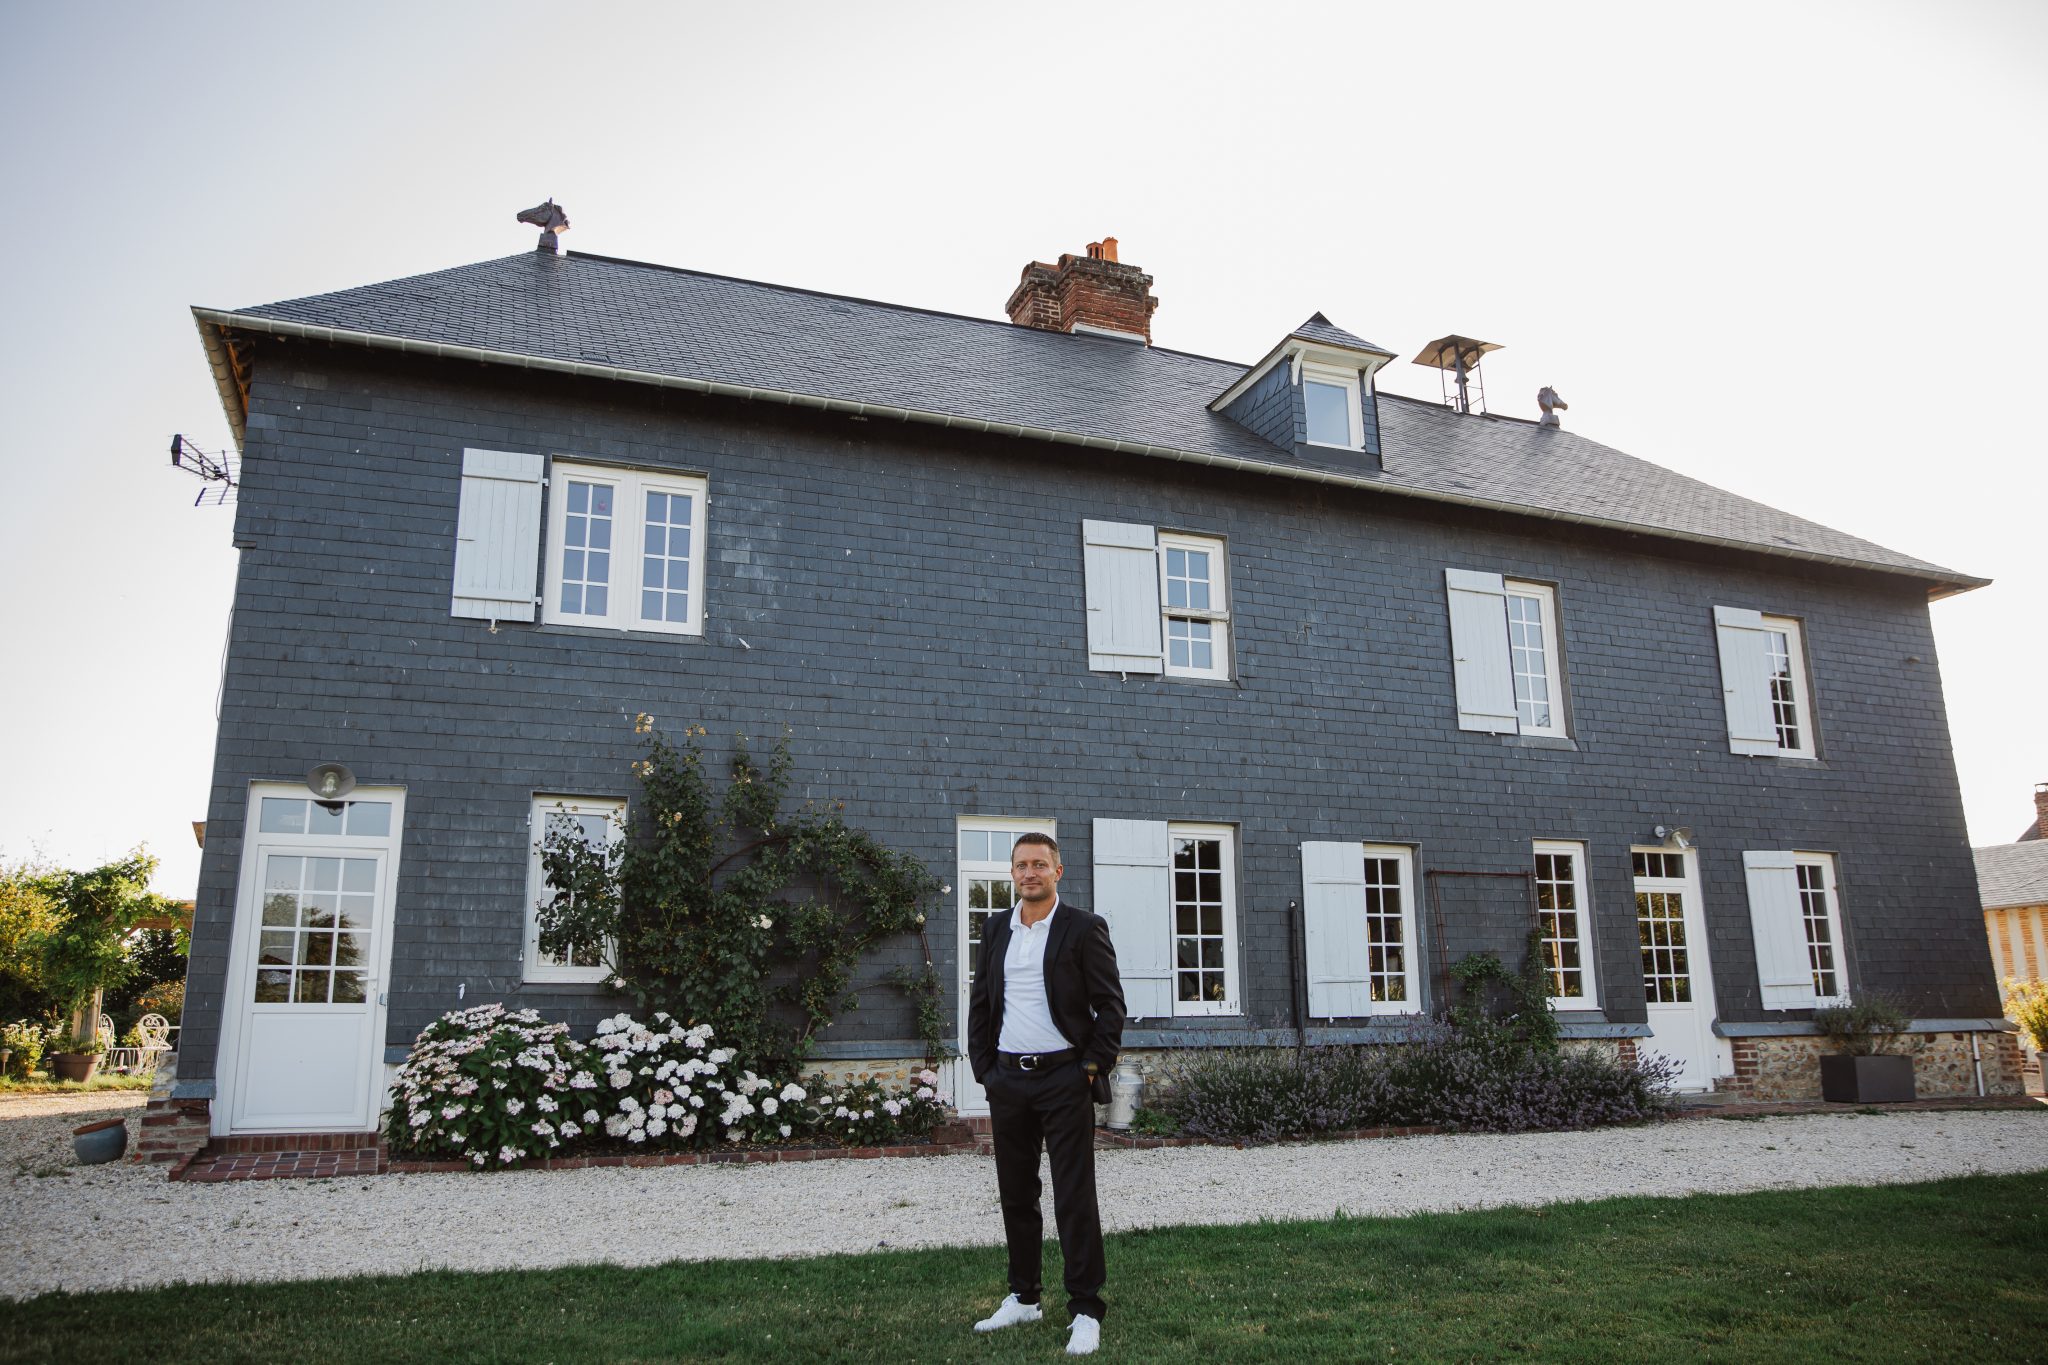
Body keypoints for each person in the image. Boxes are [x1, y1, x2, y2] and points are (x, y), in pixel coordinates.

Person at [967, 831, 1127, 1357]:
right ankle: (1024, 1297)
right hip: (1008, 1080)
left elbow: (1110, 1006)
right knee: (1016, 1194)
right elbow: (982, 1002)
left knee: (1074, 1196)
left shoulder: (1083, 927)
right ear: (1011, 872)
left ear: (1058, 871)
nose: (1029, 873)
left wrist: (1090, 1068)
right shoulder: (996, 928)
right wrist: (985, 1069)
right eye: (1021, 865)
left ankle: (1085, 1308)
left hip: (1064, 1079)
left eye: (1039, 864)